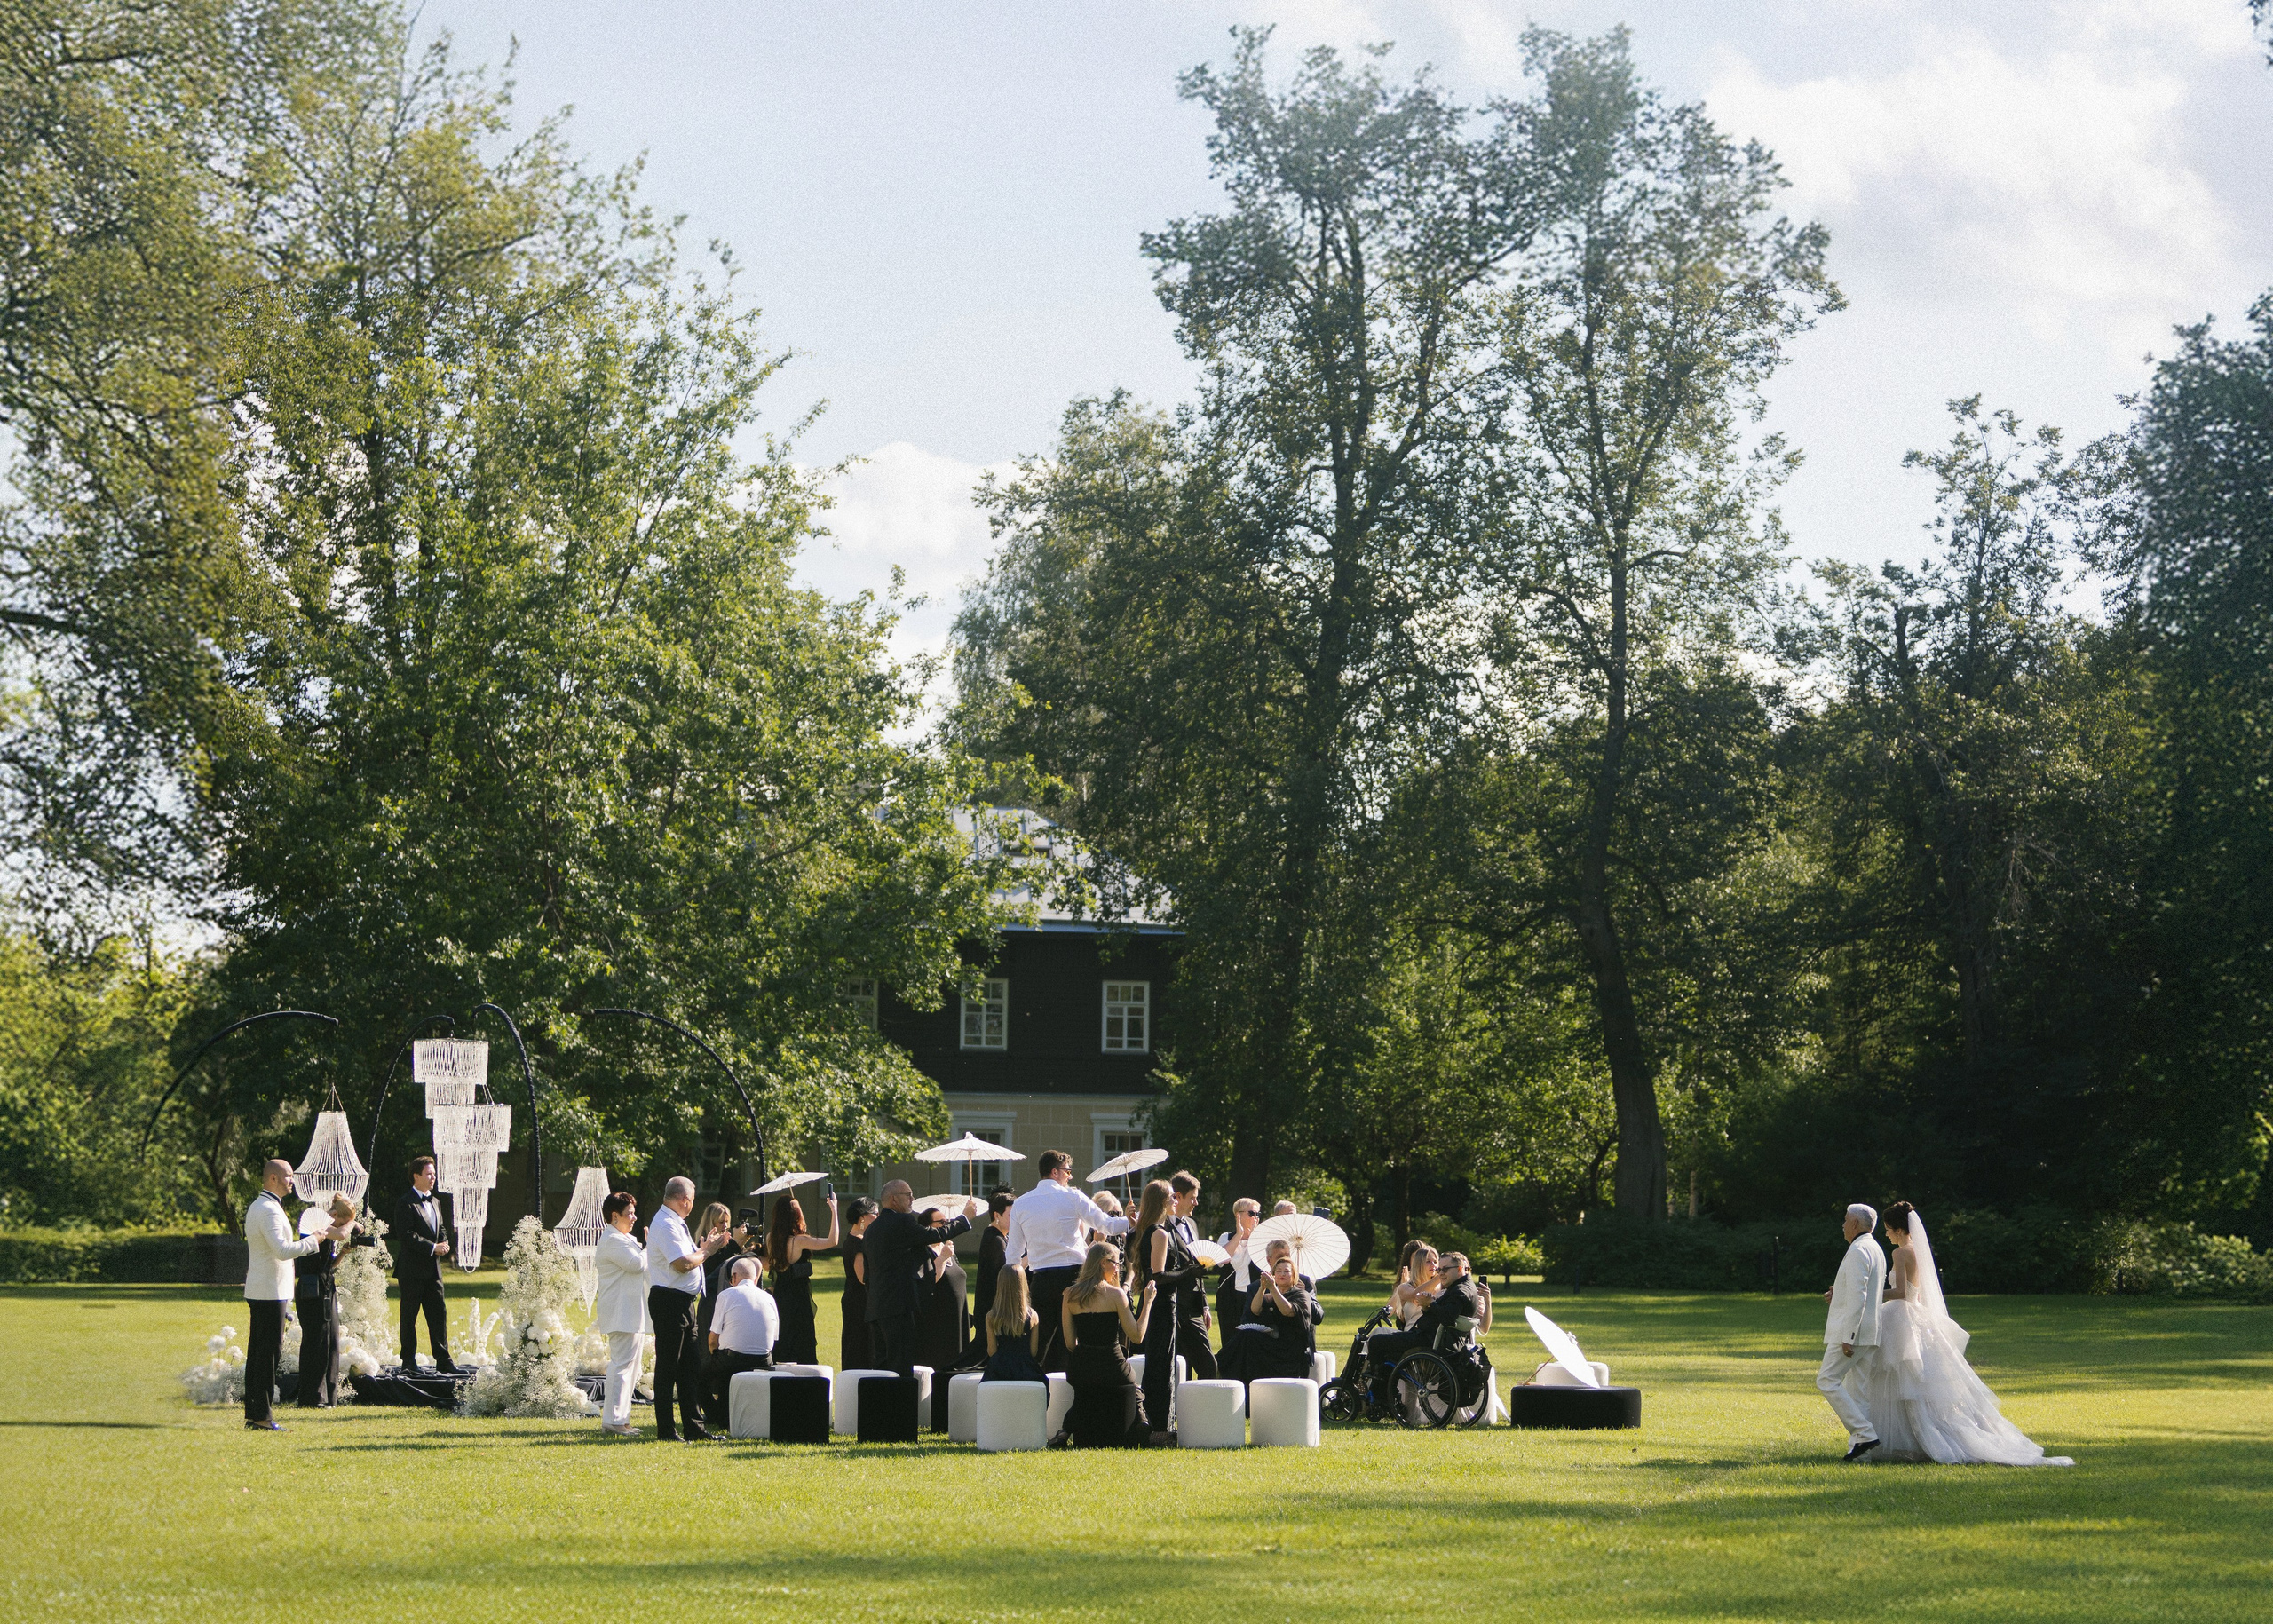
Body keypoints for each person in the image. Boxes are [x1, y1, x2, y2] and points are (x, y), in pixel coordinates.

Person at [1867, 1203, 2074, 1466]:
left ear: (1899, 1229)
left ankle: (1917, 1439)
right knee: (1916, 1383)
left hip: (1902, 1316)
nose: (1886, 1235)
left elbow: (1902, 1294)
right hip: (1916, 1317)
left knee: (1904, 1381)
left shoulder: (1900, 1253)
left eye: (1888, 1230)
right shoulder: (1918, 1251)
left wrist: (1872, 1295)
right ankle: (1916, 1438)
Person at [1001, 1150, 1130, 1370]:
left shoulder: (1021, 1204)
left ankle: (1033, 1388)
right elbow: (1107, 1225)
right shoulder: (1073, 1197)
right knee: (1080, 1341)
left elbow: (1013, 1254)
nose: (1070, 1176)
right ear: (1055, 1172)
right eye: (1067, 1172)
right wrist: (1134, 1222)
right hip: (1075, 1279)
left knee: (1039, 1344)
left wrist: (1012, 1289)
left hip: (1041, 1280)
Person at [242, 1159, 342, 1430]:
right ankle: (262, 1417)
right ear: (273, 1179)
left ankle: (254, 1415)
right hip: (268, 1292)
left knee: (260, 1355)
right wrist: (315, 1240)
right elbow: (283, 1250)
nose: (292, 1181)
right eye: (288, 1177)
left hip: (265, 1290)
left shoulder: (264, 1206)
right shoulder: (268, 1210)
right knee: (266, 1356)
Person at [864, 1182, 978, 1376]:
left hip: (877, 1307)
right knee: (900, 1367)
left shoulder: (871, 1230)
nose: (912, 1199)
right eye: (908, 1194)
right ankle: (903, 1406)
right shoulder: (902, 1222)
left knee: (882, 1368)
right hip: (898, 1307)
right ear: (893, 1199)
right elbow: (936, 1234)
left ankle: (881, 1406)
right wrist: (964, 1219)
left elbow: (869, 1273)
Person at [648, 1175, 729, 1442]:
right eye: (692, 1200)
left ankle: (694, 1428)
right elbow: (682, 1264)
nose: (693, 1205)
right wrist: (707, 1253)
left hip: (683, 1302)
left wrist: (705, 1248)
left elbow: (692, 1257)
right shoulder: (665, 1224)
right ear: (684, 1200)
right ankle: (666, 1431)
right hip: (669, 1301)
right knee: (668, 1368)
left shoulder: (676, 1223)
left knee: (690, 1368)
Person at [1058, 1240, 1160, 1447]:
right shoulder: (1116, 1295)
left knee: (1088, 1390)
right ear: (1103, 1263)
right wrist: (1148, 1302)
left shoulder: (1070, 1294)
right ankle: (1143, 1422)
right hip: (1113, 1368)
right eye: (1116, 1262)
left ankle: (1066, 1429)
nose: (1118, 1268)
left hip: (1082, 1370)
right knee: (1135, 1388)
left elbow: (1070, 1343)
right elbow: (1137, 1336)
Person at [1128, 1178, 1204, 1432]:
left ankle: (1156, 1423)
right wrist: (1189, 1273)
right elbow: (1157, 1276)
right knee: (1161, 1367)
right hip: (1161, 1306)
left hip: (1162, 1305)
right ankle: (1160, 1426)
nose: (1176, 1200)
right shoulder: (1159, 1233)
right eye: (1172, 1196)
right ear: (1162, 1201)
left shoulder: (1152, 1229)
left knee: (1161, 1364)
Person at [1818, 1202, 1888, 1462]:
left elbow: (1860, 1295)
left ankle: (1865, 1433)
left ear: (1855, 1224)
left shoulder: (1859, 1249)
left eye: (1846, 1220)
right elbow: (1863, 1292)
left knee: (1826, 1380)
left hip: (1855, 1332)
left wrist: (1849, 1337)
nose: (1843, 1224)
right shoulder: (1874, 1248)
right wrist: (1837, 1296)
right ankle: (1860, 1453)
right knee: (1858, 1391)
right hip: (1870, 1331)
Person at [1363, 1251, 1483, 1401]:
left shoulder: (1460, 1291)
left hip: (1429, 1341)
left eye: (1445, 1269)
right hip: (1432, 1338)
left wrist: (1430, 1303)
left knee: (1376, 1341)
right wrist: (1428, 1306)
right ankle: (1386, 1394)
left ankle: (1380, 1395)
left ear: (1459, 1269)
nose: (1441, 1274)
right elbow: (1442, 1313)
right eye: (1439, 1270)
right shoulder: (1463, 1286)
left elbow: (1447, 1318)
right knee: (1386, 1351)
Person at [295, 1194, 368, 1408]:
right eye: (341, 1222)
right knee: (316, 1342)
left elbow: (329, 1265)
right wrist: (352, 1223)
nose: (343, 1228)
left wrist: (343, 1254)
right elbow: (343, 1233)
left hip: (326, 1286)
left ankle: (328, 1396)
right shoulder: (318, 1222)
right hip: (311, 1290)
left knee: (331, 1342)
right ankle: (311, 1397)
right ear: (334, 1214)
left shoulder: (331, 1229)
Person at [392, 1154, 458, 1373]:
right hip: (411, 1271)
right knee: (409, 1318)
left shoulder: (436, 1201)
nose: (433, 1178)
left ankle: (444, 1362)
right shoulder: (405, 1203)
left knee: (439, 1316)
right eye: (429, 1174)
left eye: (434, 1174)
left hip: (434, 1272)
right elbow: (406, 1235)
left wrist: (445, 1241)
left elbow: (441, 1229)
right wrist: (433, 1247)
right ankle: (408, 1363)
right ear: (416, 1176)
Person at [1221, 1240, 1318, 1384]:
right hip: (1270, 1344)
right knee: (1246, 1336)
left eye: (1286, 1271)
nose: (1282, 1274)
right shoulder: (1264, 1292)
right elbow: (1253, 1311)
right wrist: (1262, 1288)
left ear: (1293, 1275)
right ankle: (1224, 1370)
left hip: (1290, 1348)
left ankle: (1221, 1365)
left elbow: (1288, 1311)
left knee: (1247, 1342)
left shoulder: (1301, 1293)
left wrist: (1273, 1288)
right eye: (1279, 1271)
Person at [593, 1191, 648, 1438]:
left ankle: (622, 1419)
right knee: (622, 1367)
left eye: (634, 1212)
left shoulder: (622, 1238)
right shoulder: (612, 1240)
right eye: (629, 1214)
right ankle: (613, 1419)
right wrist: (652, 1246)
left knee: (632, 1368)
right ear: (614, 1216)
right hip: (620, 1312)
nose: (634, 1217)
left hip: (630, 1312)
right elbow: (637, 1264)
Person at [764, 1190, 839, 1366]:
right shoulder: (799, 1241)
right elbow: (832, 1241)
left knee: (784, 1340)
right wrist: (834, 1210)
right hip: (799, 1299)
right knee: (802, 1343)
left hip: (781, 1297)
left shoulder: (770, 1239)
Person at [704, 1255, 780, 1425]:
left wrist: (715, 1354)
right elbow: (774, 1338)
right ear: (755, 1277)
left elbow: (712, 1339)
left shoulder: (726, 1295)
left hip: (733, 1359)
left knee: (698, 1374)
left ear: (735, 1277)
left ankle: (717, 1415)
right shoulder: (769, 1298)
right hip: (764, 1360)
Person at [1165, 1171, 1219, 1382]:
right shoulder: (1162, 1227)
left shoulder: (1192, 1225)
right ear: (1177, 1197)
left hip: (1194, 1307)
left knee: (1208, 1363)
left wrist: (1204, 1305)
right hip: (1172, 1303)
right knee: (1180, 1364)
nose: (1196, 1203)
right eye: (1193, 1198)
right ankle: (1179, 1411)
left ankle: (1202, 1410)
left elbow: (1199, 1267)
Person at [966, 1189, 1014, 1361]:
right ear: (997, 1215)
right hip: (991, 1311)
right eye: (1011, 1214)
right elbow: (1005, 1272)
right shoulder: (994, 1239)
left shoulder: (1000, 1237)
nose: (1015, 1219)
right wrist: (1029, 1258)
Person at [979, 1264, 1045, 1384]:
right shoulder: (1033, 1315)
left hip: (999, 1370)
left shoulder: (992, 1316)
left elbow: (992, 1351)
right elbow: (1033, 1351)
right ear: (1023, 1284)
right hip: (1026, 1371)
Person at [1214, 1198, 1262, 1349]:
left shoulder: (1262, 1241)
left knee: (1251, 1342)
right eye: (1252, 1213)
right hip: (1228, 1297)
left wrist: (1254, 1236)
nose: (1256, 1217)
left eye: (1258, 1214)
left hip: (1253, 1297)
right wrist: (1240, 1234)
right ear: (1238, 1215)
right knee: (1229, 1342)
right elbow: (1222, 1259)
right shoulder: (1226, 1237)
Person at [921, 1232, 969, 1378]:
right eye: (941, 1222)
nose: (946, 1224)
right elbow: (931, 1278)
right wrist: (942, 1257)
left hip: (956, 1314)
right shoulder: (925, 1250)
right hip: (939, 1314)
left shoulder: (947, 1248)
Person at [840, 1196, 878, 1373]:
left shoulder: (856, 1238)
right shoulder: (859, 1242)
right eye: (875, 1214)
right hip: (859, 1301)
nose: (878, 1217)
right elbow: (863, 1277)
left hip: (857, 1299)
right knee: (859, 1346)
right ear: (863, 1217)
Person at [1389, 1242, 1441, 1328]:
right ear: (1418, 1263)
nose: (1434, 1265)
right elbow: (1415, 1295)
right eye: (1428, 1261)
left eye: (1435, 1262)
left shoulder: (1442, 1287)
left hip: (1432, 1336)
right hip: (1410, 1335)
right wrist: (1441, 1275)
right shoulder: (1404, 1287)